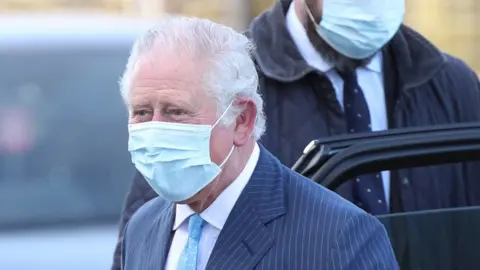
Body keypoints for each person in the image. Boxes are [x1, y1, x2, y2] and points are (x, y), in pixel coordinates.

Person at [112, 0, 480, 268]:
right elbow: (163, 222)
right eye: (143, 113)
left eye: (172, 112)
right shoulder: (216, 80)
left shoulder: (451, 86)